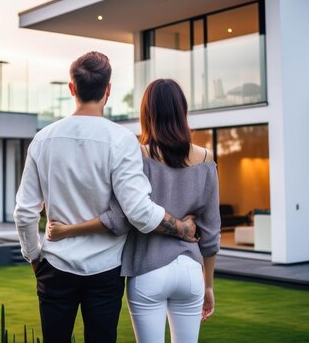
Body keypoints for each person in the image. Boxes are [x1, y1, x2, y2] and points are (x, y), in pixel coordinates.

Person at [13, 52, 198, 343]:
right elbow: (138, 211)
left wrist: (34, 257)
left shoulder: (43, 139)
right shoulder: (121, 140)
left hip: (55, 266)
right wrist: (182, 228)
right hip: (105, 269)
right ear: (108, 90)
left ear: (72, 89)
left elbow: (24, 212)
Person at [47, 78, 221, 343]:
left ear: (146, 113)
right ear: (181, 110)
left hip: (147, 269)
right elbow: (211, 233)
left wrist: (67, 230)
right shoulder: (207, 160)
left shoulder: (136, 155)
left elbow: (118, 219)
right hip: (190, 271)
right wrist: (208, 284)